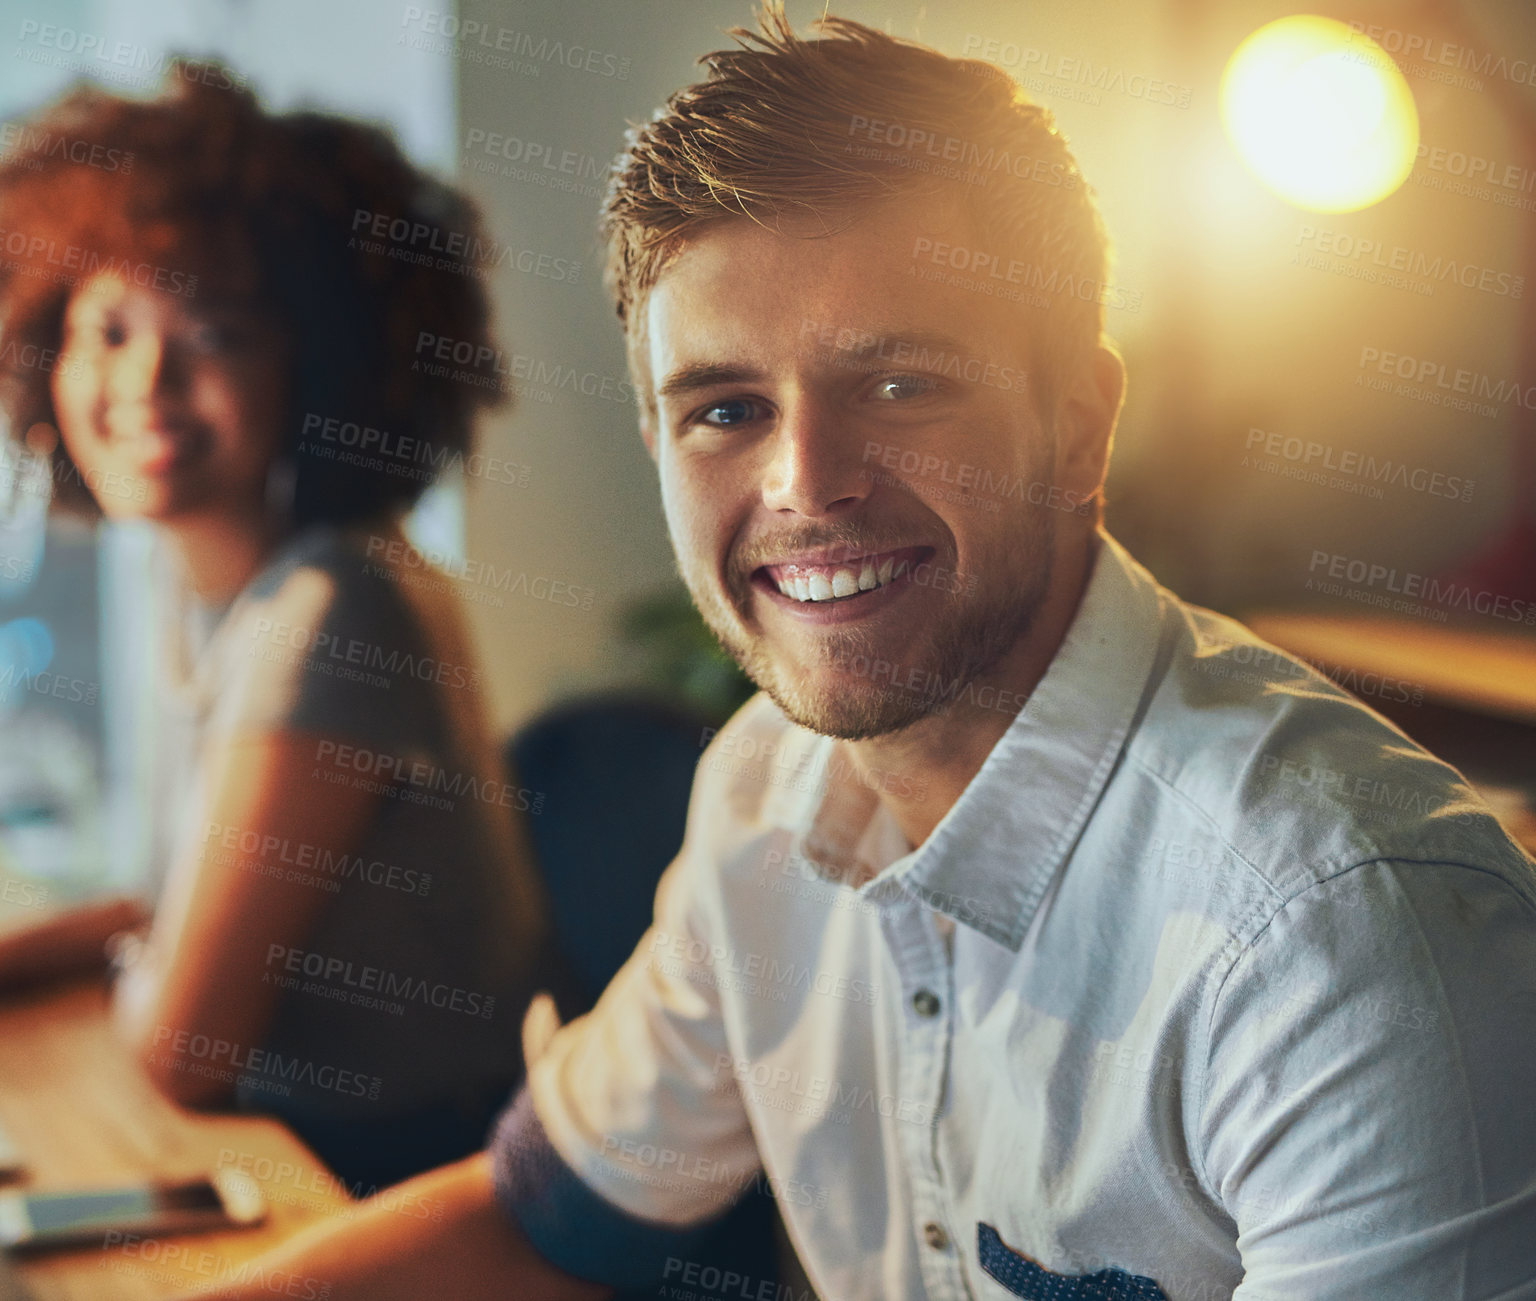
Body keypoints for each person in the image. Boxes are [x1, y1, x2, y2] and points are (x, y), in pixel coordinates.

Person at [179, 10, 1536, 1300]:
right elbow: (548, 1213)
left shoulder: (1342, 938)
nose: (804, 482)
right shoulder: (765, 794)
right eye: (723, 408)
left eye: (901, 384)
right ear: (660, 447)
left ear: (1077, 423)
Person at [0, 62, 566, 1191]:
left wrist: (140, 955)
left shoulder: (330, 604)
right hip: (298, 1155)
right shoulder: (219, 587)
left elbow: (183, 1047)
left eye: (212, 333)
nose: (143, 381)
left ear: (319, 365)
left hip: (382, 1187)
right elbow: (164, 919)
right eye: (107, 328)